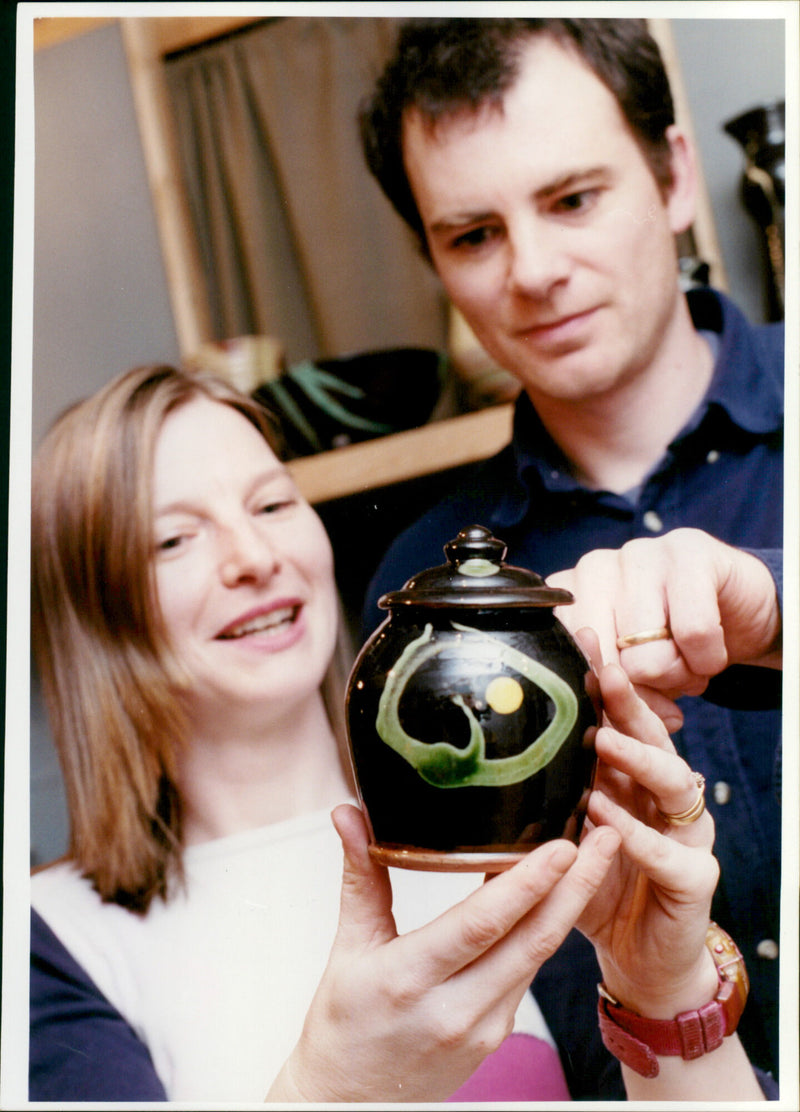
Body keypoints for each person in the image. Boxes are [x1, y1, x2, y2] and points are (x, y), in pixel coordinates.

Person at [28, 363, 774, 1102]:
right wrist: (332, 1089)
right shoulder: (48, 945)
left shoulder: (509, 841)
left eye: (272, 506)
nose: (255, 559)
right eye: (174, 541)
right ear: (92, 616)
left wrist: (663, 993)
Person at [359, 16, 783, 1093]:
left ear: (672, 174)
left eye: (570, 198)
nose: (534, 271)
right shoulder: (418, 610)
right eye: (472, 234)